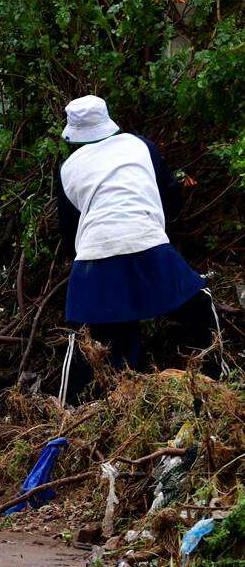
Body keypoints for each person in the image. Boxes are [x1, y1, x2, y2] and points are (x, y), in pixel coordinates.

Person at [56, 94, 215, 374]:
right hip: (147, 244)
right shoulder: (140, 146)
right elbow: (171, 198)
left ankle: (103, 405)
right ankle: (212, 380)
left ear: (73, 135)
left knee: (109, 346)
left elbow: (68, 235)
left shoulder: (67, 169)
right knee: (200, 308)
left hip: (94, 257)